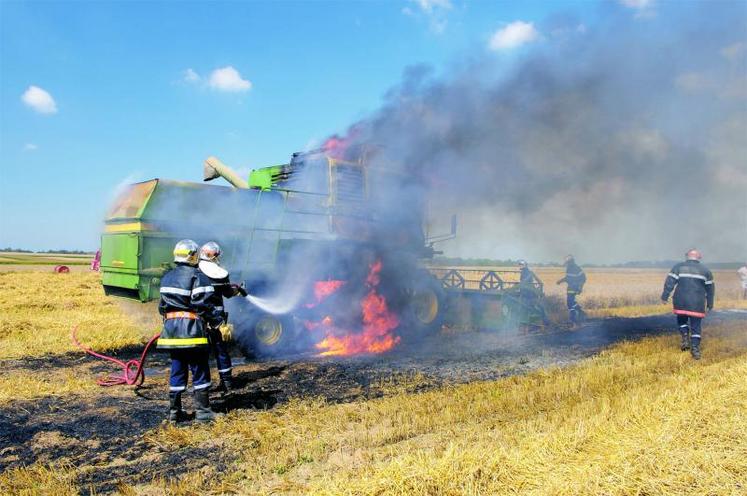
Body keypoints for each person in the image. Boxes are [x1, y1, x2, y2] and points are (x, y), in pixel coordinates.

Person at [157, 239, 222, 423]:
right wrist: (216, 321)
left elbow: (162, 307)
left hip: (171, 334)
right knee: (200, 369)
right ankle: (203, 413)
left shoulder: (167, 277)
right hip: (192, 333)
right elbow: (203, 305)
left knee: (177, 369)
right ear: (193, 256)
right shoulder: (197, 276)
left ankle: (175, 414)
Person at [198, 241, 246, 394]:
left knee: (201, 352)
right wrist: (238, 290)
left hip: (200, 317)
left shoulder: (196, 271)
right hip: (217, 318)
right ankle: (227, 382)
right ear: (216, 256)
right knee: (220, 349)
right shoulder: (221, 273)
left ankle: (203, 386)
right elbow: (227, 293)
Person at [661, 249, 715, 360]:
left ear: (687, 256)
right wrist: (710, 303)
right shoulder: (706, 271)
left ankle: (685, 337)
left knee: (682, 320)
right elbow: (710, 290)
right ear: (699, 256)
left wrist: (664, 296)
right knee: (696, 326)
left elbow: (669, 283)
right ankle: (695, 350)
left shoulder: (678, 267)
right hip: (697, 303)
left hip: (680, 300)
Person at [556, 255, 586, 325]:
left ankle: (573, 318)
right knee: (572, 302)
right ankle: (581, 313)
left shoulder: (575, 268)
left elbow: (583, 278)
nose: (566, 264)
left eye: (567, 262)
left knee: (570, 303)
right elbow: (568, 278)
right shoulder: (571, 268)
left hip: (574, 288)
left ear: (570, 262)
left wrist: (580, 287)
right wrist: (560, 281)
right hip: (571, 288)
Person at [517, 260, 548, 324]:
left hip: (528, 293)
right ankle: (544, 320)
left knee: (529, 306)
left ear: (525, 265)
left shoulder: (526, 272)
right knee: (534, 306)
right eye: (519, 265)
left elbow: (525, 282)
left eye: (521, 265)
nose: (520, 266)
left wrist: (519, 287)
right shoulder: (526, 271)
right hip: (529, 292)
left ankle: (544, 320)